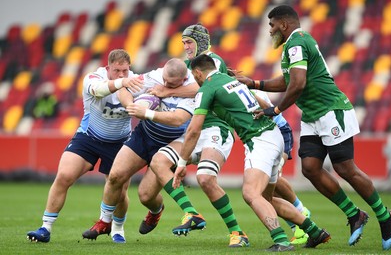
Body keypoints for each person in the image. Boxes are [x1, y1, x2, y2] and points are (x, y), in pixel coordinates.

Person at [238, 5, 391, 250]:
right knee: (310, 168)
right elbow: (289, 80)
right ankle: (354, 214)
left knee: (346, 168)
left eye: (271, 25)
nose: (269, 31)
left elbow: (298, 84)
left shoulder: (297, 43)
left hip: (332, 111)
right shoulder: (293, 45)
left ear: (283, 24)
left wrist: (276, 110)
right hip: (313, 115)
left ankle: (385, 215)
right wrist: (255, 83)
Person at [174, 54, 331, 251]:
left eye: (194, 76)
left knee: (250, 193)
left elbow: (193, 130)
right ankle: (314, 231)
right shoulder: (231, 80)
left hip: (259, 140)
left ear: (198, 73)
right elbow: (264, 105)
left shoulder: (207, 88)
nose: (194, 80)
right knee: (267, 199)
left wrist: (181, 164)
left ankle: (280, 239)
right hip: (274, 135)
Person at [145, 23, 250, 247]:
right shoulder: (185, 65)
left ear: (201, 41)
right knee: (159, 161)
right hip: (193, 130)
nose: (185, 46)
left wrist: (168, 91)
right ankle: (191, 213)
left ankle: (237, 233)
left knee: (205, 179)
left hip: (216, 128)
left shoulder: (214, 60)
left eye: (189, 42)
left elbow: (199, 88)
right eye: (183, 42)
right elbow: (163, 78)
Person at [81, 58, 205, 242]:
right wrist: (131, 105)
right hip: (144, 136)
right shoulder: (154, 76)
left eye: (171, 83)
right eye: (164, 79)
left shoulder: (194, 90)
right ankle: (104, 222)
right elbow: (124, 89)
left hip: (168, 143)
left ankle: (156, 211)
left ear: (183, 79)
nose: (164, 83)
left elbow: (178, 119)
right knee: (115, 175)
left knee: (146, 196)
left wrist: (147, 112)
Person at [26, 49, 143, 243]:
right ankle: (45, 228)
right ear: (108, 68)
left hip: (120, 142)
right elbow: (99, 90)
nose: (122, 74)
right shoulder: (93, 77)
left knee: (120, 192)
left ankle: (118, 228)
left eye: (125, 71)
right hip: (89, 137)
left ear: (129, 68)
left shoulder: (138, 82)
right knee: (64, 176)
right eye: (117, 71)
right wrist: (123, 83)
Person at [253, 89, 310, 245]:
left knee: (274, 179)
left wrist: (251, 93)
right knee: (268, 192)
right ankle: (298, 227)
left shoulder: (249, 92)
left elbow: (272, 113)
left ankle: (300, 211)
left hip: (280, 132)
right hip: (264, 137)